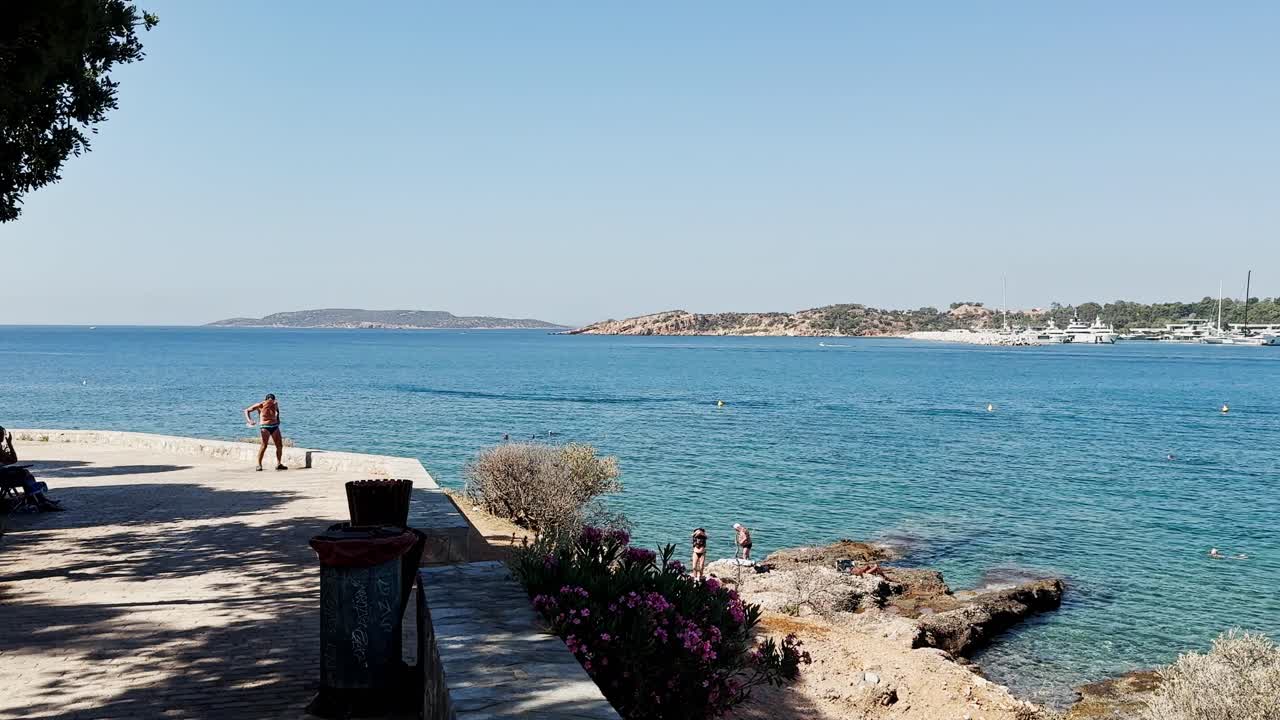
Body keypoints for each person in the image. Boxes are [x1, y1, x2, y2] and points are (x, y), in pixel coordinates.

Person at [0, 426, 64, 512]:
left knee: (24, 473)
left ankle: (39, 500)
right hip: (2, 479)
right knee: (24, 474)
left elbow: (10, 461)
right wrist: (10, 444)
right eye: (2, 434)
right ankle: (39, 500)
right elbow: (14, 459)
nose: (3, 436)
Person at [244, 394, 287, 472]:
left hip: (275, 426)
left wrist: (278, 418)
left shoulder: (275, 403)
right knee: (264, 445)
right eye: (269, 400)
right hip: (265, 426)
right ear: (266, 400)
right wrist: (249, 420)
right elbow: (246, 410)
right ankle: (259, 465)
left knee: (279, 445)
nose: (271, 402)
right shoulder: (260, 405)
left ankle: (279, 464)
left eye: (272, 400)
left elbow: (277, 410)